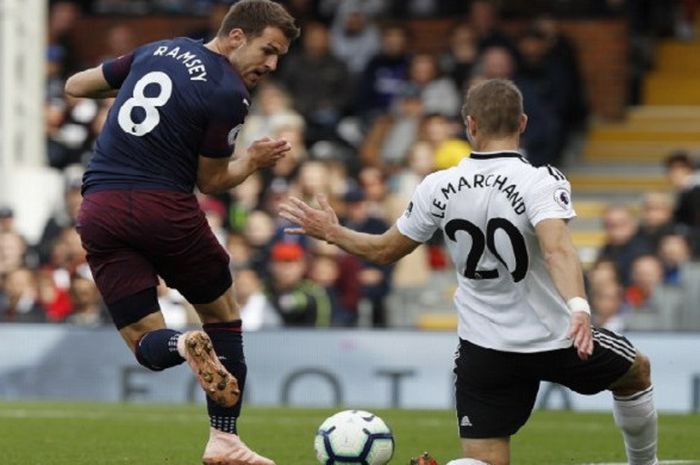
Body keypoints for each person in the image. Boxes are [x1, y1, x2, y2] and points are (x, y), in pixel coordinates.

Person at [280, 79, 658, 465]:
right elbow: (557, 248)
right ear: (523, 123)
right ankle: (644, 464)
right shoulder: (540, 180)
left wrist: (332, 232)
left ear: (470, 125)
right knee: (636, 373)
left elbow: (384, 250)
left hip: (484, 347)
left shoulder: (437, 186)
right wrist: (579, 305)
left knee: (485, 461)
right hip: (554, 336)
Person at [64, 1, 299, 464]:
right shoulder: (228, 91)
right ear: (235, 37)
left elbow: (75, 86)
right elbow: (211, 181)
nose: (270, 65)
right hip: (163, 208)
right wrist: (251, 161)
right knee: (223, 317)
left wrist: (133, 87)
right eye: (267, 51)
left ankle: (179, 343)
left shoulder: (157, 49)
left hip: (100, 208)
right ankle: (225, 440)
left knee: (147, 346)